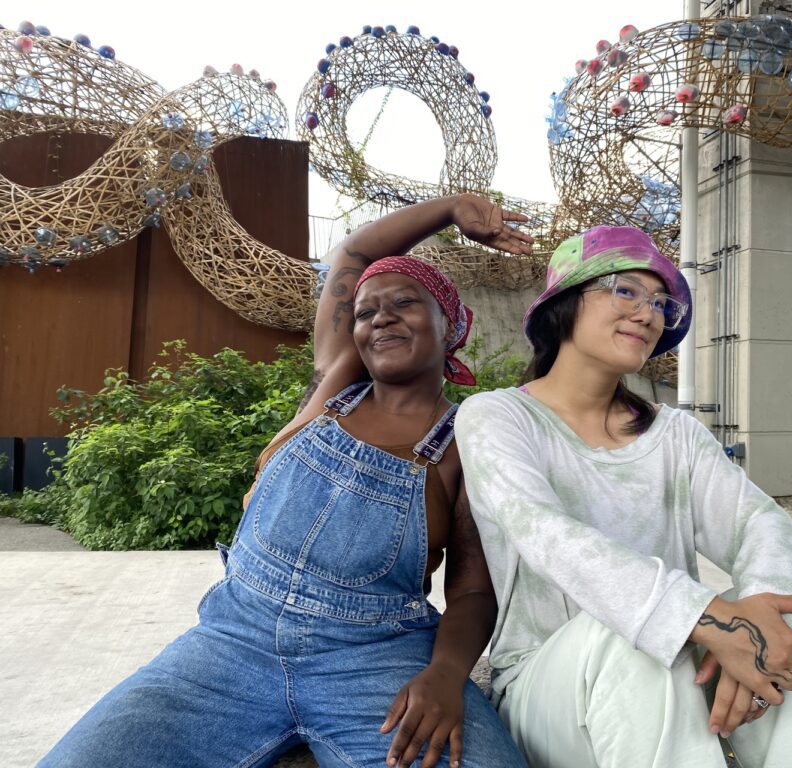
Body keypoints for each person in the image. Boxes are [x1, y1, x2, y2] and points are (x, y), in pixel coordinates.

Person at [39, 194, 533, 768]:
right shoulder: (330, 388)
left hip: (375, 659)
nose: (381, 318)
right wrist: (451, 209)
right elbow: (355, 251)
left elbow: (473, 588)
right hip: (230, 645)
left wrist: (447, 675)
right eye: (366, 311)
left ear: (452, 328)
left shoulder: (466, 439)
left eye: (405, 303)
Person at [453, 226, 792, 768]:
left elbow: (762, 525)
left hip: (683, 672)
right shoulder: (497, 418)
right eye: (625, 290)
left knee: (787, 625)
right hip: (551, 684)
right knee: (628, 638)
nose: (649, 313)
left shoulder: (676, 435)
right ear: (565, 304)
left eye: (660, 302)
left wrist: (755, 629)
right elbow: (545, 533)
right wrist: (710, 620)